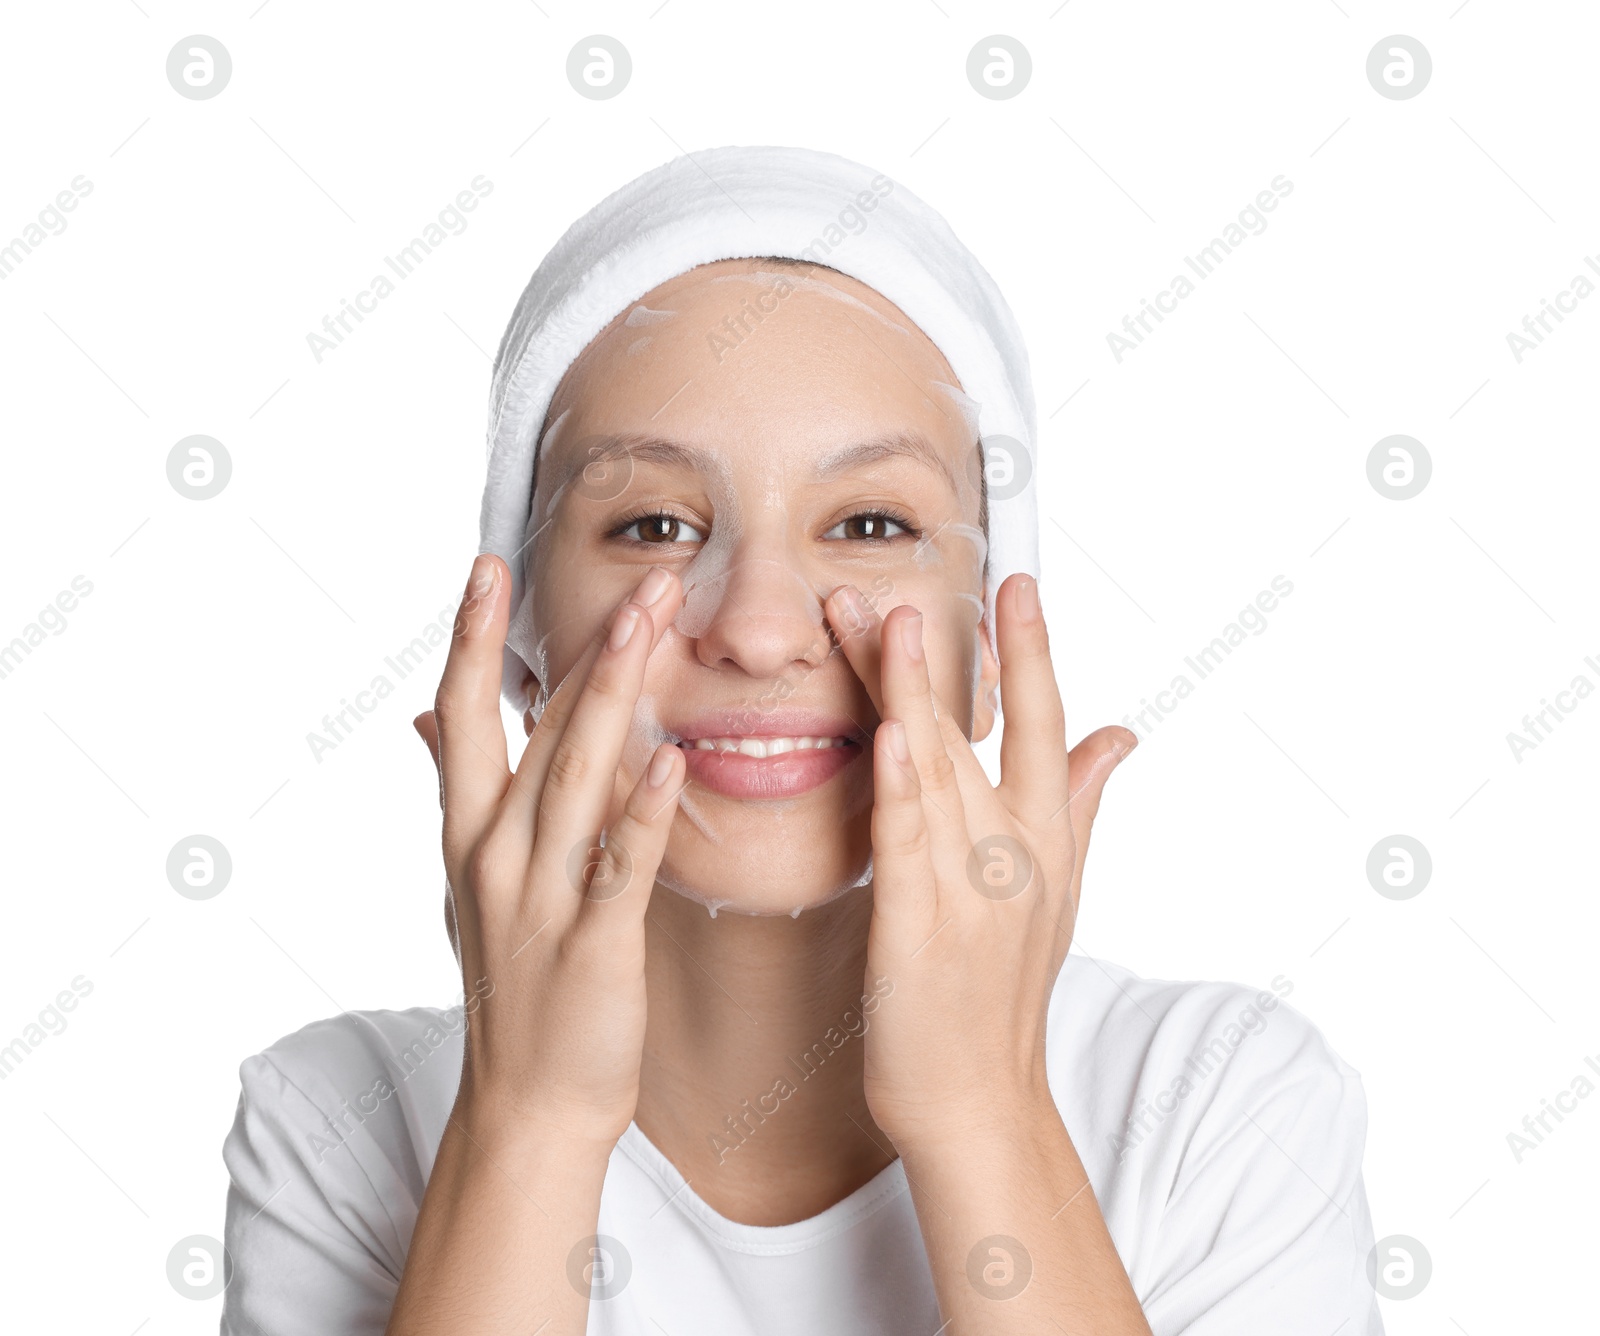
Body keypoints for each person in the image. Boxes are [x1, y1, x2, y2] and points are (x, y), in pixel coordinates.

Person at [220, 147, 1383, 1335]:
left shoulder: (1214, 1104)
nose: (764, 631)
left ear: (989, 645)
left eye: (870, 523)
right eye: (655, 524)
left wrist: (984, 1111)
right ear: (518, 644)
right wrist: (530, 1122)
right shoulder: (339, 1122)